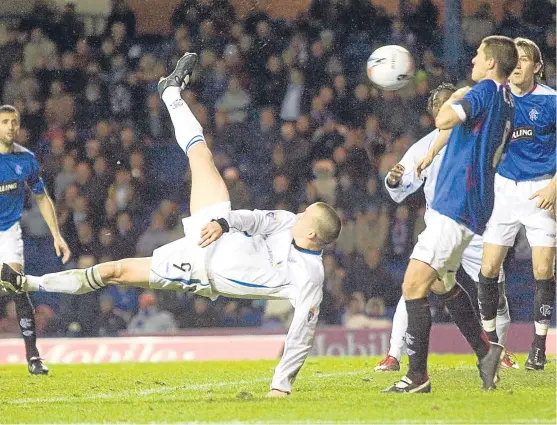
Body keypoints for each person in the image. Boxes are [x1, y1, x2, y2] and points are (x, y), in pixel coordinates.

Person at [0, 53, 342, 397]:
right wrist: (224, 222)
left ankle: (29, 282)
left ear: (311, 234)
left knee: (114, 271)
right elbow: (254, 218)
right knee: (201, 156)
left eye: (304, 217)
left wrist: (280, 388)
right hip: (216, 228)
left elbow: (301, 334)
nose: (297, 215)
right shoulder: (288, 222)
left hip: (198, 267)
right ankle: (170, 92)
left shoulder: (309, 277)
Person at [383, 36, 518, 393]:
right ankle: (486, 352)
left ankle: (417, 376)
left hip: (455, 203)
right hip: (472, 204)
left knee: (413, 284)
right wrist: (430, 154)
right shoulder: (506, 100)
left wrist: (457, 96)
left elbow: (444, 117)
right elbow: (457, 131)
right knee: (443, 284)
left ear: (491, 63)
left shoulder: (483, 91)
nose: (473, 58)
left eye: (479, 54)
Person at [479, 38, 556, 371]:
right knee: (489, 268)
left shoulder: (551, 100)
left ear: (537, 67)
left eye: (524, 60)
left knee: (543, 270)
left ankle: (538, 347)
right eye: (515, 59)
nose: (518, 65)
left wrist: (555, 184)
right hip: (504, 190)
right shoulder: (497, 97)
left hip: (542, 189)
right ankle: (491, 345)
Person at [0, 104, 71, 375]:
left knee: (17, 286)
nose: (10, 127)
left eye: (14, 122)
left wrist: (56, 235)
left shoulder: (25, 160)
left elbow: (41, 196)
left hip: (8, 232)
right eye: (5, 121)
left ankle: (33, 357)